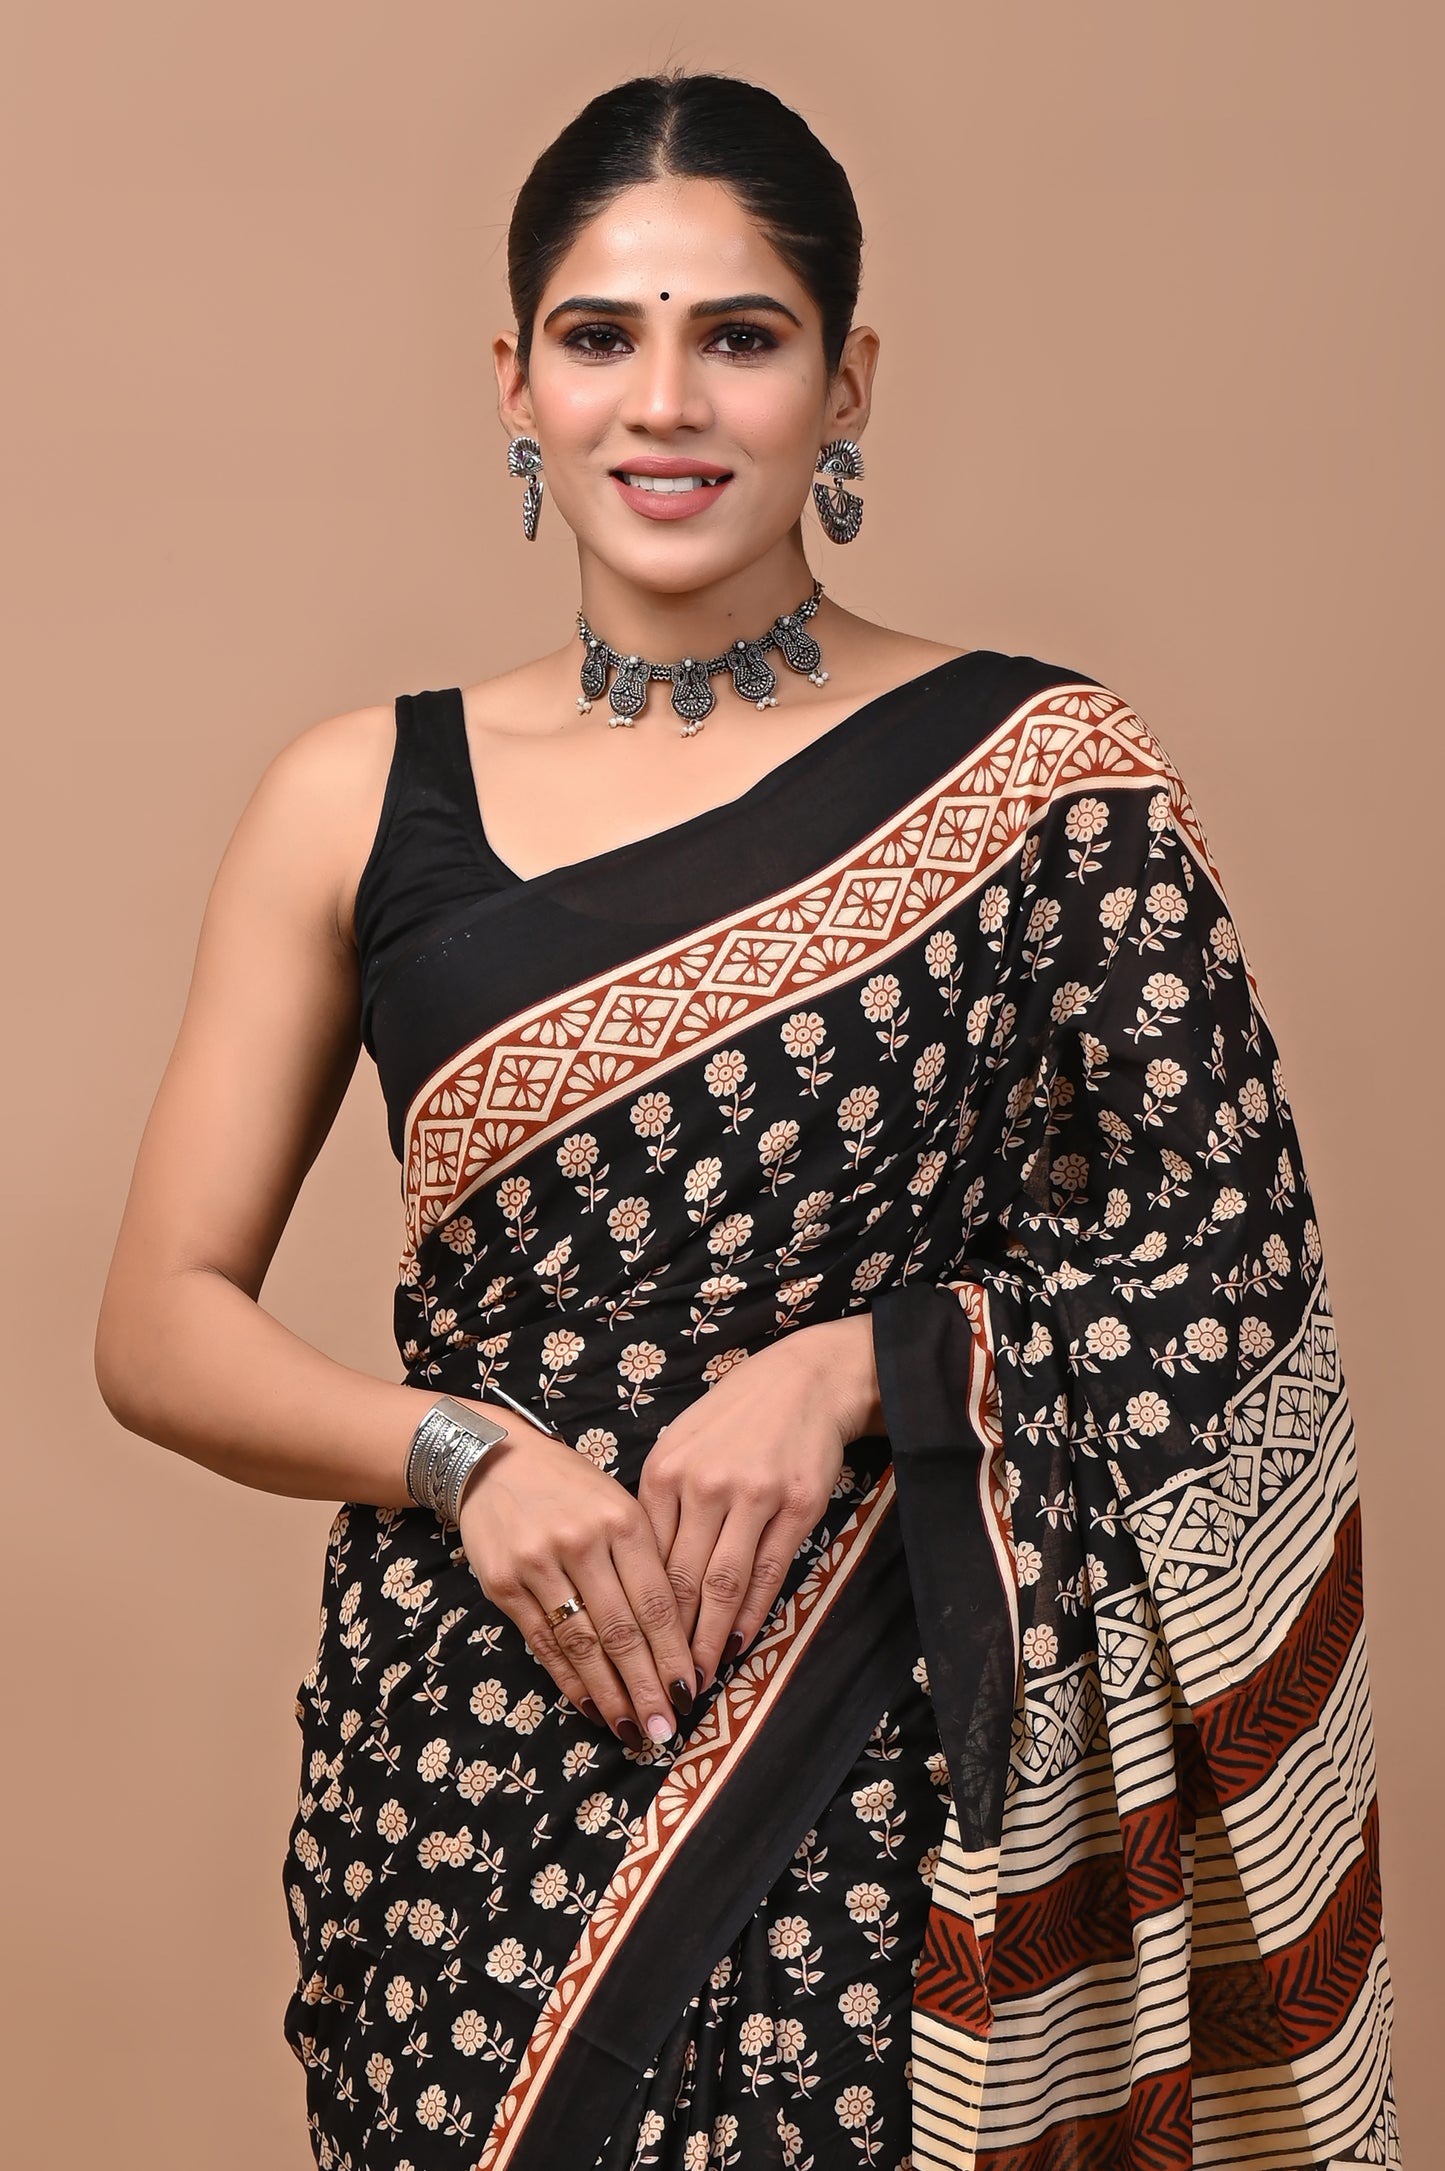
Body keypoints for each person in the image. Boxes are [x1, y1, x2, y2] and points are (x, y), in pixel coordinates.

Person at [95, 68, 1398, 2171]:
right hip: (474, 1759)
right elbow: (159, 1320)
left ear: (844, 382)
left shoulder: (1041, 776)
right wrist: (464, 1461)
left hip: (906, 1763)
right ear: (515, 381)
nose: (664, 403)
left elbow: (1230, 1278)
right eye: (600, 335)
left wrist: (858, 1370)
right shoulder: (355, 796)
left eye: (741, 335)